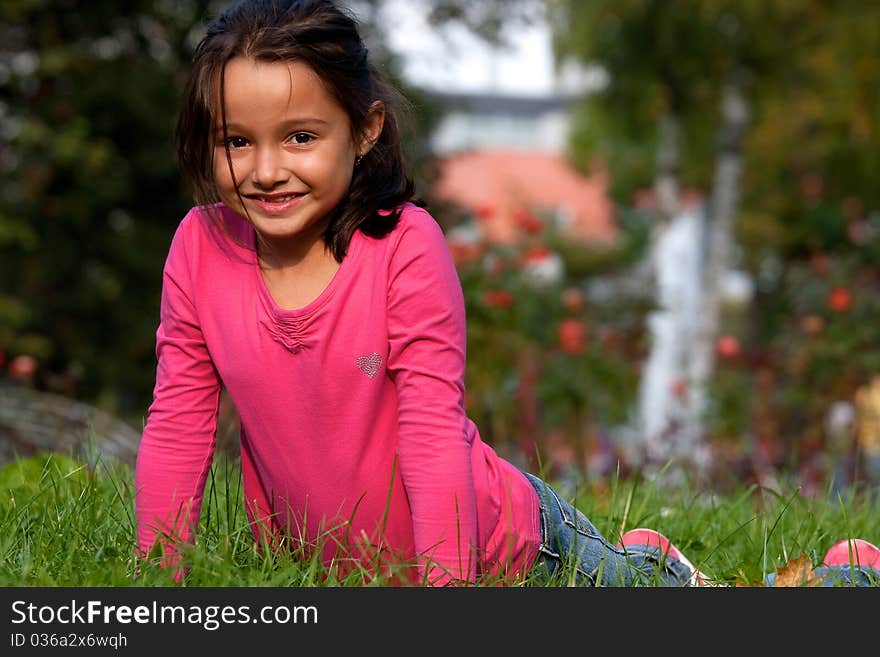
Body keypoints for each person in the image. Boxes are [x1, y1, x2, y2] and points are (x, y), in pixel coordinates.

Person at [134, 0, 878, 588]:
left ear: (364, 131)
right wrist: (153, 583)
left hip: (501, 544)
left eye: (300, 137)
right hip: (327, 563)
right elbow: (178, 424)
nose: (266, 170)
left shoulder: (403, 246)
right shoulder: (201, 248)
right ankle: (644, 551)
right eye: (237, 141)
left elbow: (429, 430)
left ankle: (846, 574)